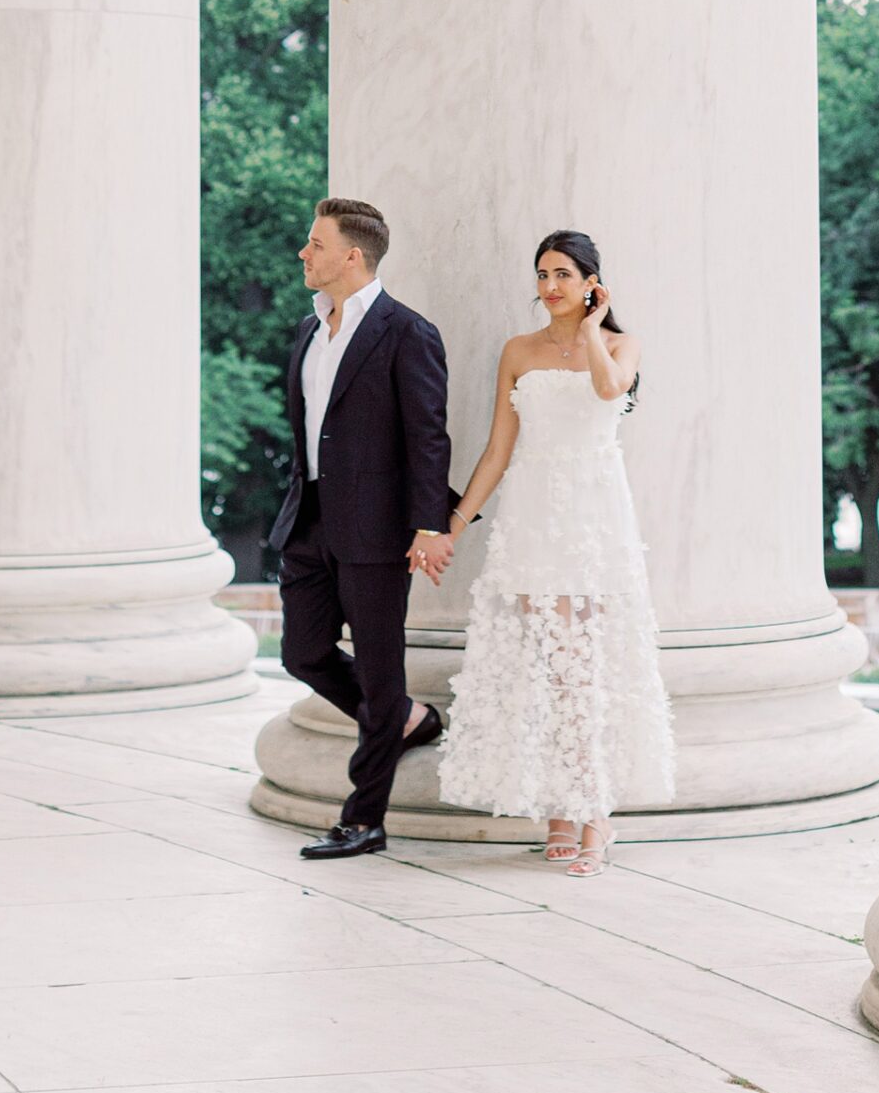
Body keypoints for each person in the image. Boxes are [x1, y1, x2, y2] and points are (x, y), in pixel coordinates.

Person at [429, 230, 675, 874]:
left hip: (592, 525)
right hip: (532, 521)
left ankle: (595, 817)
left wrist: (592, 329)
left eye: (563, 274)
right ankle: (560, 811)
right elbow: (497, 450)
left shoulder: (622, 344)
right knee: (545, 668)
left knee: (582, 672)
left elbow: (607, 390)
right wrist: (453, 523)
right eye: (542, 275)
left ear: (592, 281)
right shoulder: (517, 350)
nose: (550, 287)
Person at [268, 197, 456, 859]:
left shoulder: (408, 333)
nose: (303, 253)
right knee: (302, 653)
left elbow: (428, 439)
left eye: (314, 244)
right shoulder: (309, 330)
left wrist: (430, 526)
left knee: (380, 675)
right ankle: (403, 722)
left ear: (353, 255)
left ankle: (363, 819)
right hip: (308, 520)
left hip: (377, 528)